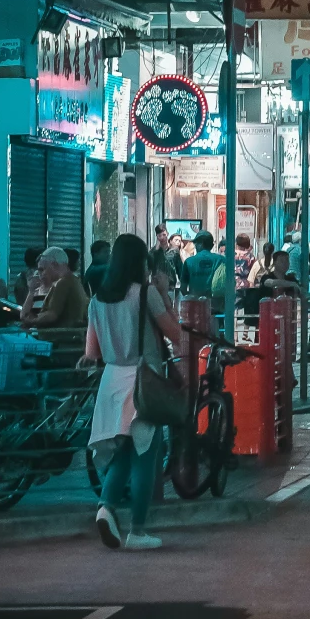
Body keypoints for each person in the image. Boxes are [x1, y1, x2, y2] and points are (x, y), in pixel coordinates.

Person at [84, 233, 181, 551]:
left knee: (123, 453)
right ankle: (137, 530)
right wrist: (165, 295)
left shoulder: (98, 299)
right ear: (140, 262)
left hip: (112, 381)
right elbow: (176, 335)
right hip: (142, 382)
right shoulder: (146, 294)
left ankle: (105, 507)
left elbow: (93, 352)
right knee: (144, 456)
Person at [21, 244, 88, 330]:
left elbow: (52, 315)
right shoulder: (71, 281)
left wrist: (31, 321)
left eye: (43, 269)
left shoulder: (63, 283)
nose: (41, 274)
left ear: (54, 265)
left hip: (61, 338)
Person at [182, 230, 220, 299]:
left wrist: (192, 298)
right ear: (212, 245)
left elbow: (183, 288)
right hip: (217, 305)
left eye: (195, 244)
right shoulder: (221, 260)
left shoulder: (189, 262)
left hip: (196, 305)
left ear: (200, 244)